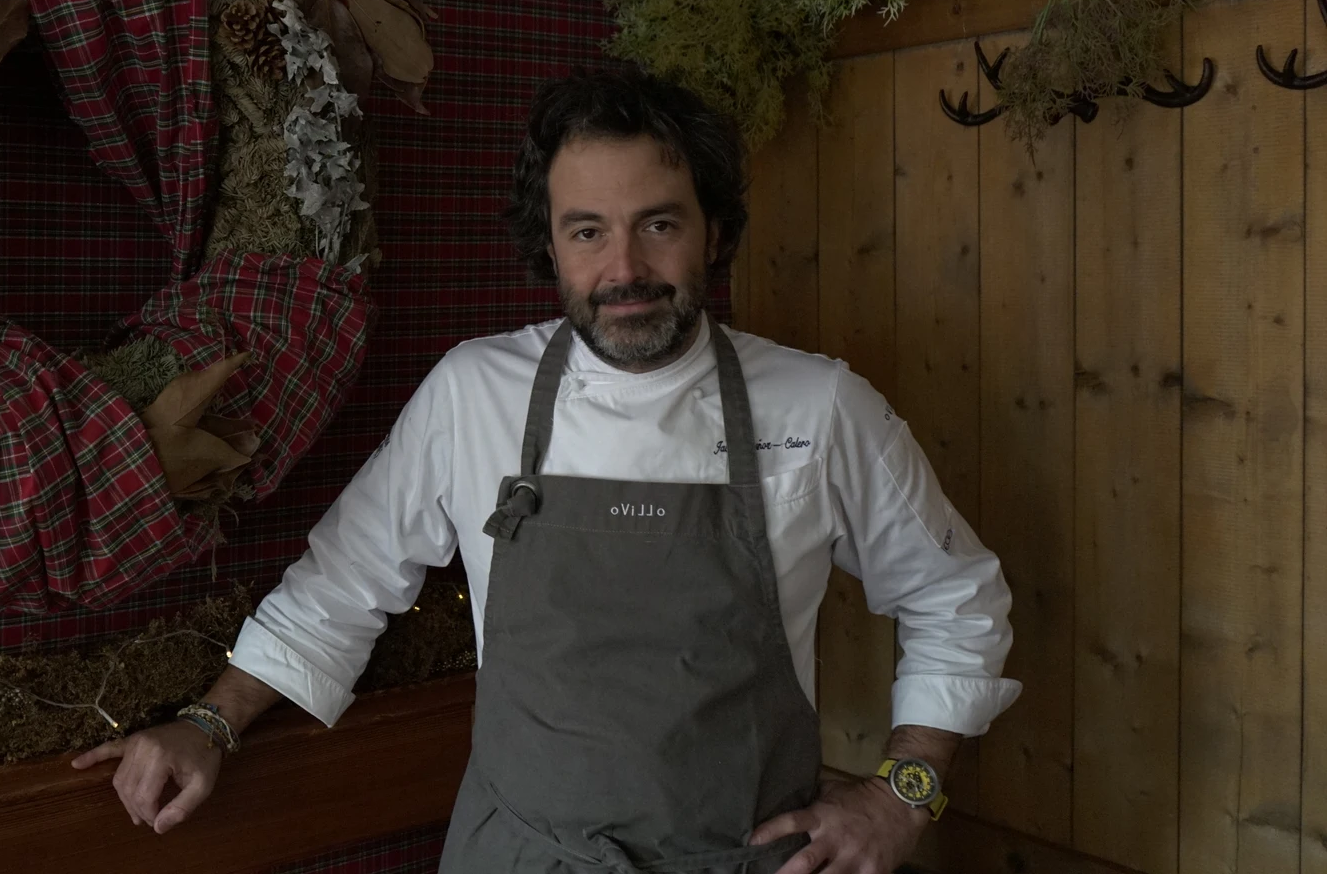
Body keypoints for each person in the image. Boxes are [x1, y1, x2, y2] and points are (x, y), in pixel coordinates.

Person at [74, 66, 1021, 874]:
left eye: (659, 224)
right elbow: (342, 582)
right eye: (587, 231)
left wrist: (904, 796)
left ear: (715, 232)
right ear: (551, 245)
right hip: (517, 853)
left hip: (745, 853)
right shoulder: (472, 392)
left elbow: (958, 599)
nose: (625, 266)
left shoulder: (820, 406)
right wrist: (210, 721)